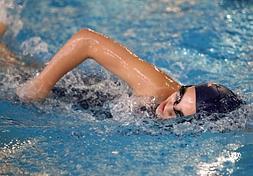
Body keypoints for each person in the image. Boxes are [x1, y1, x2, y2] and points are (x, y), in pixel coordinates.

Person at [0, 22, 242, 119]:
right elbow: (87, 40)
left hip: (92, 103)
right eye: (179, 96)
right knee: (14, 80)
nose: (167, 106)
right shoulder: (157, 88)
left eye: (177, 113)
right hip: (81, 91)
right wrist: (39, 88)